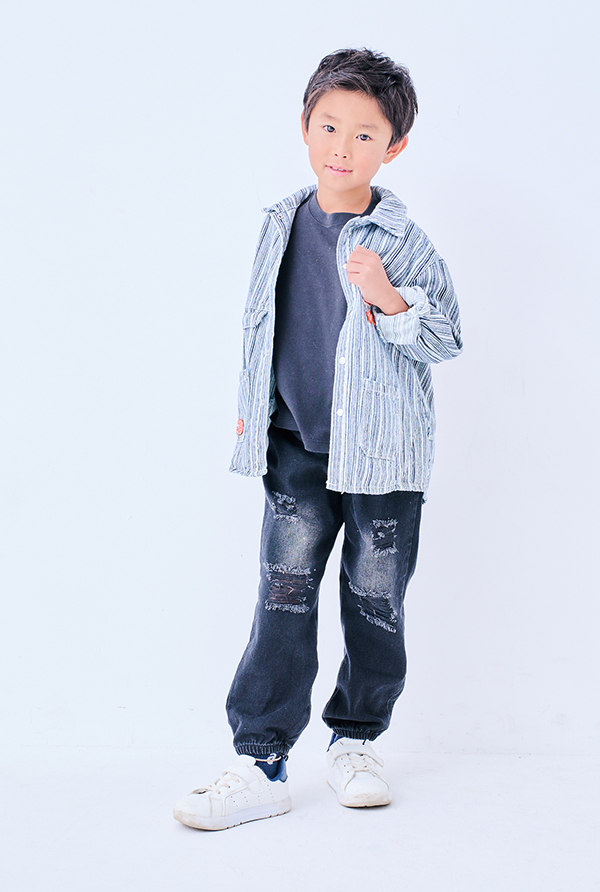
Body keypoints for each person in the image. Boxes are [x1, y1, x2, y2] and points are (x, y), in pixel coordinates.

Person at [174, 47, 462, 831]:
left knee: (375, 602)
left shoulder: (401, 239)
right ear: (304, 126)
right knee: (283, 597)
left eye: (365, 135)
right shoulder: (280, 223)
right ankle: (262, 761)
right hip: (295, 445)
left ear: (394, 147)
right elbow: (263, 328)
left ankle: (356, 742)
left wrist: (389, 296)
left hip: (384, 459)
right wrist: (251, 417)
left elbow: (446, 339)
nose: (342, 147)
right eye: (329, 126)